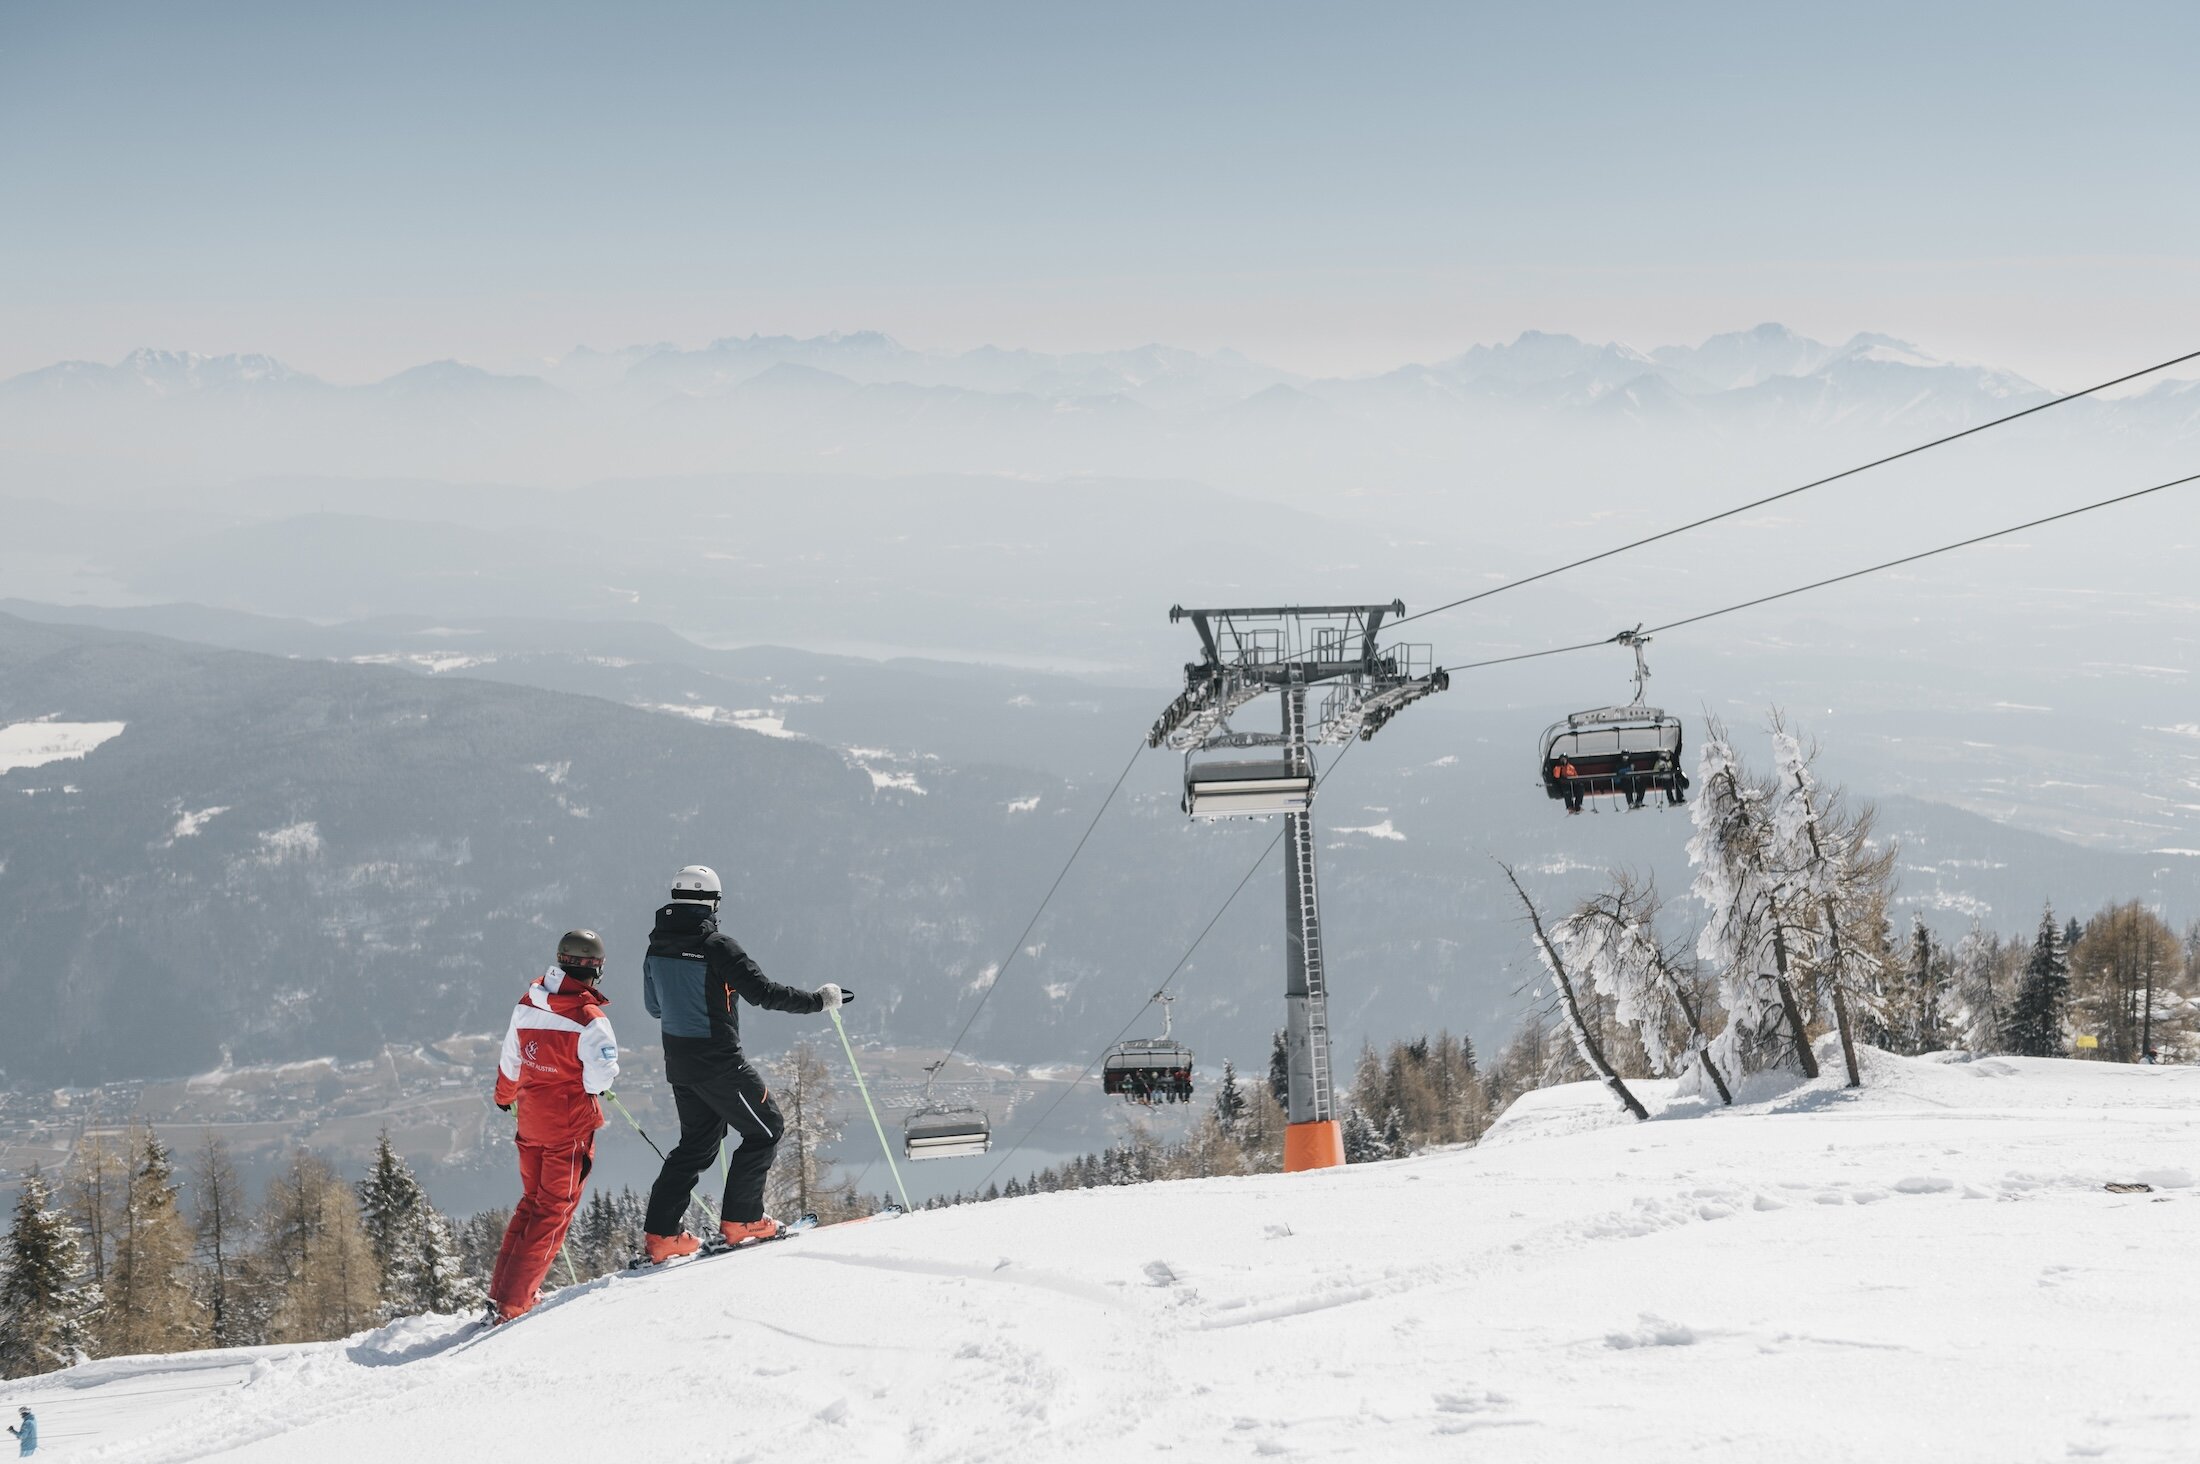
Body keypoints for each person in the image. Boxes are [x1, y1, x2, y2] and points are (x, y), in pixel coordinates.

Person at [639, 865, 853, 1261]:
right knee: (766, 1128)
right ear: (712, 902)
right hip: (719, 1061)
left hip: (679, 1062)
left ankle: (662, 1236)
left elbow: (654, 1008)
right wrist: (819, 1001)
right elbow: (765, 993)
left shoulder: (656, 947)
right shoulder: (718, 946)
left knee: (697, 1144)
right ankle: (743, 1220)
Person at [486, 930, 620, 1323]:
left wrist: (504, 1096)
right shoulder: (589, 1018)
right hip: (569, 1129)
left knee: (532, 1205)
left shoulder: (527, 1003)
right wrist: (589, 1088)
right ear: (596, 969)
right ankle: (516, 1302)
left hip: (531, 1122)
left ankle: (502, 1293)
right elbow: (601, 1076)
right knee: (554, 1211)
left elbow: (511, 1062)